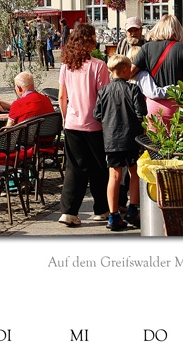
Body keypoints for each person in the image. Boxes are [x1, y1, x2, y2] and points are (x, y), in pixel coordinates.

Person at [57, 22, 110, 226]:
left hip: (72, 122)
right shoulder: (98, 66)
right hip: (94, 123)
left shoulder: (66, 66)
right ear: (88, 40)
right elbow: (103, 97)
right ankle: (101, 208)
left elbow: (63, 96)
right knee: (99, 167)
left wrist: (65, 118)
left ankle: (69, 211)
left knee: (75, 168)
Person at [94, 53, 147, 230]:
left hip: (111, 140)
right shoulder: (133, 90)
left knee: (114, 176)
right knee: (134, 172)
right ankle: (133, 209)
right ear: (125, 70)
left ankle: (114, 214)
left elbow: (97, 114)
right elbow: (141, 113)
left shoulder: (103, 91)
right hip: (131, 138)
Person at [130, 14, 183, 128]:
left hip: (153, 107)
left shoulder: (146, 48)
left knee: (155, 143)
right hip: (177, 106)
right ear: (178, 29)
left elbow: (129, 73)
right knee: (179, 143)